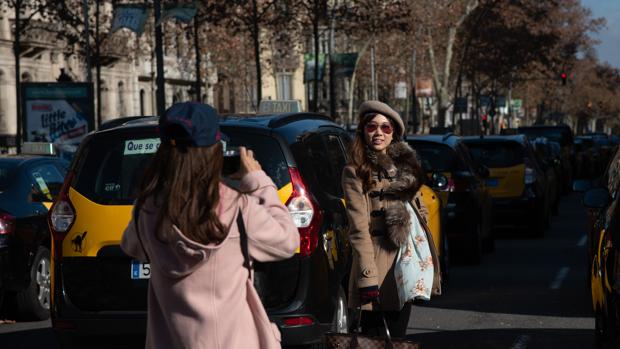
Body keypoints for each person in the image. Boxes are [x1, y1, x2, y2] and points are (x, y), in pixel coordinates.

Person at [121, 102, 299, 349]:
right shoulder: (238, 208)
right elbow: (288, 242)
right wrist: (259, 182)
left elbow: (130, 245)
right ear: (215, 151)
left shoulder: (147, 211)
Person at [342, 100, 442, 338]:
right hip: (377, 268)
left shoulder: (406, 167)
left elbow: (420, 211)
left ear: (394, 133)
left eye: (386, 128)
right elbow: (358, 230)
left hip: (405, 265)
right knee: (376, 339)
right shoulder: (355, 172)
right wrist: (367, 277)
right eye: (372, 127)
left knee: (397, 337)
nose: (378, 133)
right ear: (363, 130)